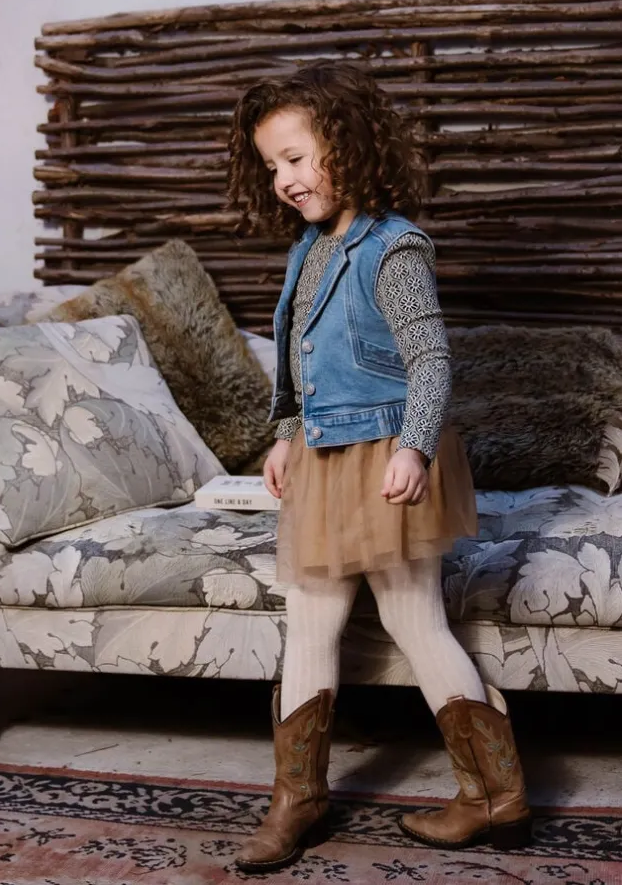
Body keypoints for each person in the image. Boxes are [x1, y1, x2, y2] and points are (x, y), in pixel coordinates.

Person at [226, 62, 531, 872]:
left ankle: (493, 793)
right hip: (325, 454)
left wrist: (415, 447)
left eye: (295, 158)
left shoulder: (393, 247)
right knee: (312, 618)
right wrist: (286, 432)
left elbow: (429, 359)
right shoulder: (308, 249)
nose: (284, 179)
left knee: (411, 618)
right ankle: (300, 798)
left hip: (386, 453)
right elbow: (303, 361)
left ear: (347, 146)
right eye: (271, 166)